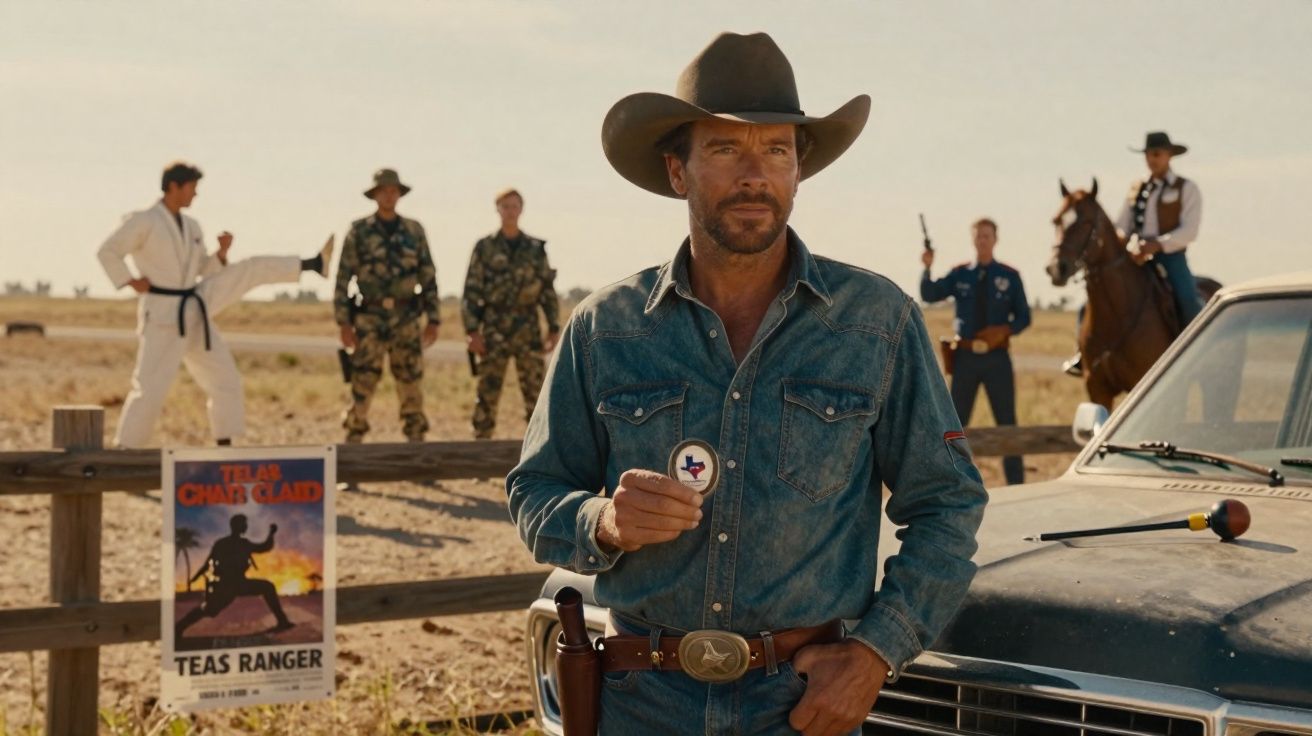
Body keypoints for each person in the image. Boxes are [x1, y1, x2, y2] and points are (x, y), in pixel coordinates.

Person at [506, 32, 987, 736]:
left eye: (777, 151)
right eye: (726, 150)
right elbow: (533, 491)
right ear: (678, 171)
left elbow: (948, 504)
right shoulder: (606, 328)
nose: (755, 174)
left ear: (798, 172)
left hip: (799, 708)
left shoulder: (875, 322)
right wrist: (603, 521)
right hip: (639, 703)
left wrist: (875, 653)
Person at [97, 162, 332, 449]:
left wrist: (221, 253)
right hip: (162, 312)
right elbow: (107, 251)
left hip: (194, 305)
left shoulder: (192, 226)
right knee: (150, 389)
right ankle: (126, 451)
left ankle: (225, 445)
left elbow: (203, 269)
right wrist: (130, 281)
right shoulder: (143, 221)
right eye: (192, 188)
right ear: (174, 186)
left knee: (226, 379)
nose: (195, 195)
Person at [1062, 131, 1202, 376]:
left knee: (1187, 298)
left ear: (1169, 155)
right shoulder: (1137, 188)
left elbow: (1189, 231)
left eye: (1157, 154)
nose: (1152, 159)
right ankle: (1082, 354)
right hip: (1134, 255)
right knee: (1092, 301)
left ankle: (1197, 352)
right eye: (1148, 155)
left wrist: (1157, 244)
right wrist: (1128, 246)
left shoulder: (1186, 188)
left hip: (1170, 255)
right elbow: (1122, 226)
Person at [919, 219, 1030, 485]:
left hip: (997, 358)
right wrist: (926, 266)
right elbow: (930, 293)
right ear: (973, 240)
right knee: (955, 423)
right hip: (966, 359)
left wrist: (1003, 330)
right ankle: (950, 482)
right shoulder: (960, 275)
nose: (982, 240)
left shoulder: (1009, 276)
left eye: (987, 236)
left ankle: (1016, 484)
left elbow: (1024, 318)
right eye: (978, 236)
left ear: (995, 239)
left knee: (1007, 425)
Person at [334, 168, 440, 443]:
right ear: (375, 195)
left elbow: (428, 275)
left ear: (399, 194)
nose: (389, 195)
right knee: (362, 382)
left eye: (393, 190)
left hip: (406, 317)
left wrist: (434, 318)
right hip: (369, 317)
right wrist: (343, 323)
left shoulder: (414, 231)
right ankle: (353, 449)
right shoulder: (358, 231)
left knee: (411, 383)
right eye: (384, 190)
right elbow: (343, 278)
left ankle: (417, 450)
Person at [461, 188, 561, 439]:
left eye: (515, 206)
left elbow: (547, 291)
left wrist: (553, 326)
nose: (510, 211)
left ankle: (540, 453)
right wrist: (472, 330)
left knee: (536, 393)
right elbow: (471, 290)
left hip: (527, 326)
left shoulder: (535, 248)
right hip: (494, 326)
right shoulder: (484, 247)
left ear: (522, 209)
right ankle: (481, 451)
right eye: (505, 206)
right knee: (487, 391)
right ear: (498, 209)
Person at [175, 514, 293, 638]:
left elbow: (263, 547)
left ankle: (282, 621)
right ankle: (179, 627)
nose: (246, 526)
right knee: (210, 610)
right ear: (237, 526)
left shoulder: (232, 543)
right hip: (227, 585)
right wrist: (272, 533)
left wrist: (271, 534)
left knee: (267, 587)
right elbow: (263, 547)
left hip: (237, 583)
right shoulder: (229, 543)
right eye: (244, 524)